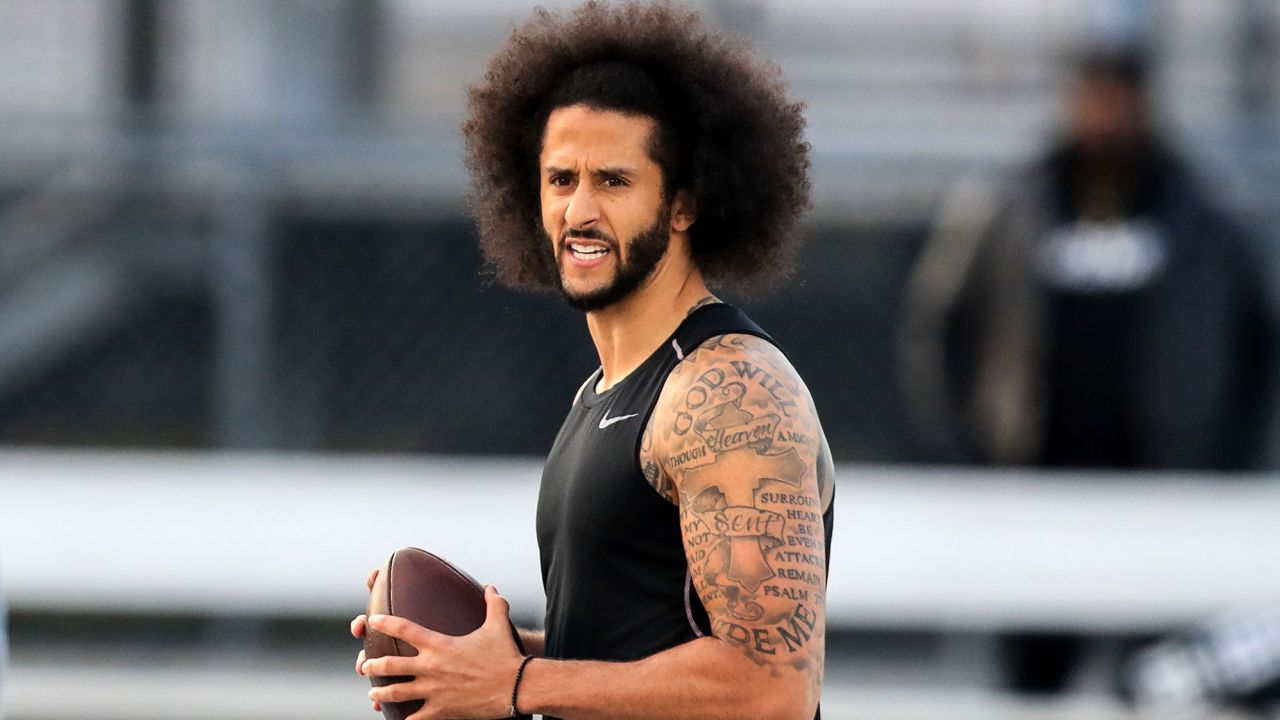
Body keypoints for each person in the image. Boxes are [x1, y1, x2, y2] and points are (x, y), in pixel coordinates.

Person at [350, 2, 835, 719]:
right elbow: (635, 649)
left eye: (613, 181)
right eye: (560, 180)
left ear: (683, 204)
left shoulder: (730, 389)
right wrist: (484, 660)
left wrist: (515, 686)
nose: (579, 211)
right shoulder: (601, 394)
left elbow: (771, 687)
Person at [899, 48, 1278, 692]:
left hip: (1163, 492)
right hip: (1036, 482)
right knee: (1034, 671)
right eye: (1094, 99)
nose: (1107, 119)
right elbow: (939, 330)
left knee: (1161, 676)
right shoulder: (1012, 208)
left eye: (1121, 101)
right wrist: (967, 445)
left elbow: (1257, 343)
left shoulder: (1200, 218)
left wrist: (1226, 458)